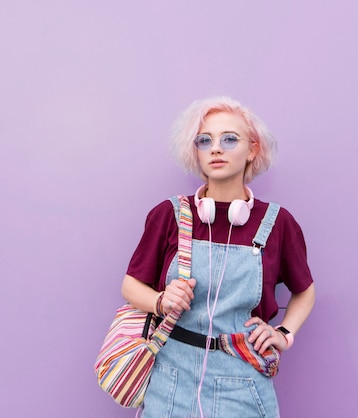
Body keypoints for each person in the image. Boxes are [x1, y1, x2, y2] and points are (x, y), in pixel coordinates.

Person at [121, 96, 315, 418]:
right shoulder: (169, 215)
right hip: (171, 380)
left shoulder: (278, 223)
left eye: (229, 139)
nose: (216, 148)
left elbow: (305, 290)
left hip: (243, 380)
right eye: (205, 140)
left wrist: (283, 333)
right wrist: (161, 301)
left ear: (252, 149)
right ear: (195, 151)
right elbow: (130, 286)